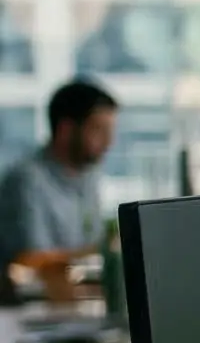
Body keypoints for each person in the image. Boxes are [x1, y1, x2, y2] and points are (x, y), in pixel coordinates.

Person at [0, 78, 117, 279]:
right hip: (33, 302)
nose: (108, 142)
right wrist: (98, 253)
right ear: (66, 130)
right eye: (98, 130)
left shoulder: (89, 177)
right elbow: (31, 260)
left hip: (75, 297)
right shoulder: (27, 181)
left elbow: (93, 247)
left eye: (110, 131)